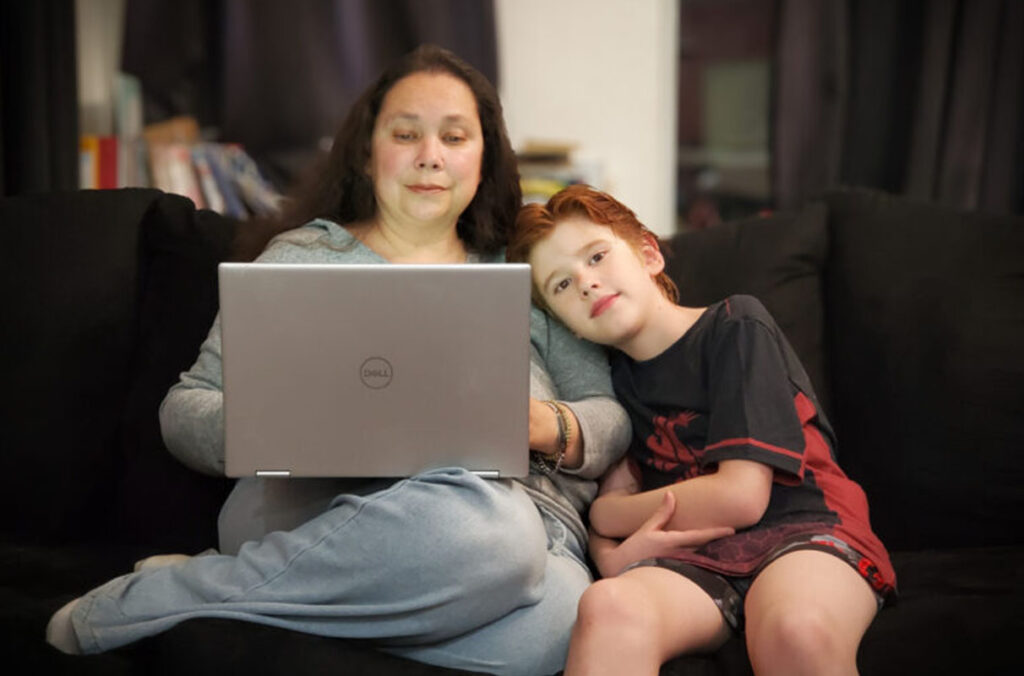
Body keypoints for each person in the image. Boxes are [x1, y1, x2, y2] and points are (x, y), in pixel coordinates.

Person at [46, 46, 631, 676]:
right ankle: (171, 601)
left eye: (454, 137)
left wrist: (548, 425)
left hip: (523, 522)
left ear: (483, 155)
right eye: (405, 134)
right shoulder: (300, 259)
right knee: (493, 540)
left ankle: (234, 592)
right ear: (366, 150)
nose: (430, 155)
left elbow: (608, 417)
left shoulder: (527, 267)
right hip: (320, 508)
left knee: (568, 621)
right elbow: (185, 409)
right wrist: (290, 426)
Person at [507, 184, 897, 676]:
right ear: (569, 327)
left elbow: (740, 496)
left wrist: (610, 516)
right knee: (608, 607)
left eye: (597, 256)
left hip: (804, 533)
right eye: (560, 284)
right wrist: (615, 546)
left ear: (649, 254)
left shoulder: (735, 325)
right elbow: (605, 530)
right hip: (696, 563)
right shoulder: (612, 385)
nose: (585, 282)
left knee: (794, 628)